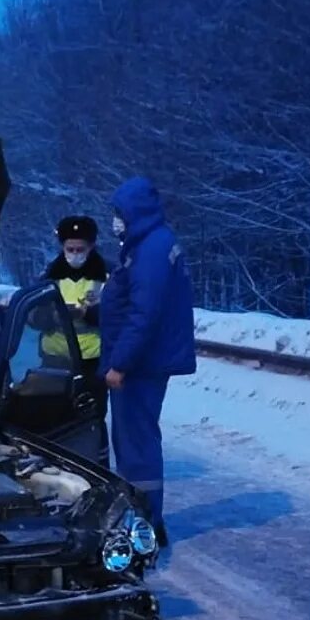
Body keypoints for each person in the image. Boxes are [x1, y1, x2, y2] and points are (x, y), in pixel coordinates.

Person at [97, 177, 197, 547]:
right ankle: (143, 517)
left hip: (140, 366)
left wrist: (120, 363)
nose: (115, 221)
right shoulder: (150, 244)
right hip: (145, 361)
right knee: (136, 441)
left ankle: (145, 525)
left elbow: (144, 313)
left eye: (118, 213)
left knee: (136, 445)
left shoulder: (151, 250)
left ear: (133, 212)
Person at [41, 215, 110, 420]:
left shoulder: (107, 276)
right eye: (70, 249)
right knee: (54, 415)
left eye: (80, 250)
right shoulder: (50, 274)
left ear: (91, 246)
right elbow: (35, 315)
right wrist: (51, 315)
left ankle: (97, 451)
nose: (75, 255)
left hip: (91, 360)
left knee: (92, 415)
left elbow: (117, 315)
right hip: (54, 358)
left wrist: (87, 313)